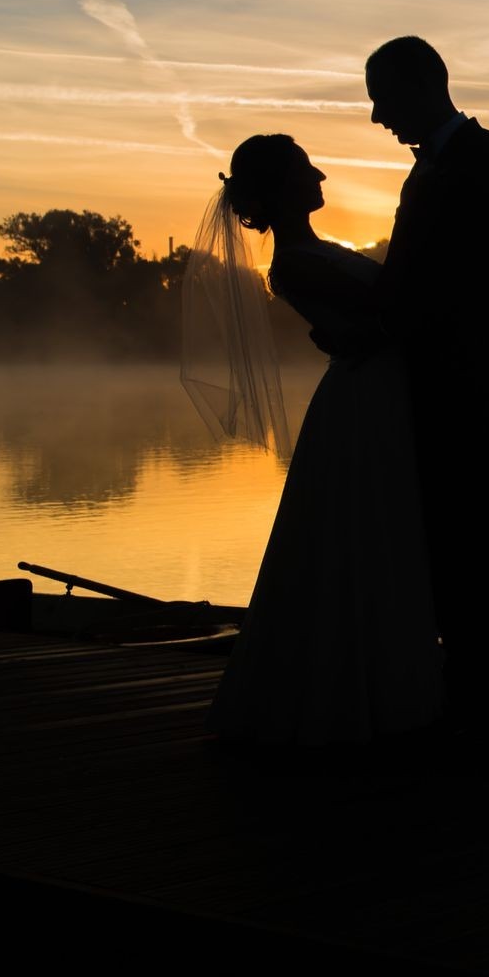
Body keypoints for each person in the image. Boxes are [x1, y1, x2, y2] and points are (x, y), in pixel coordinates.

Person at [193, 135, 444, 746]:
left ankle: (380, 686)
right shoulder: (298, 261)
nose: (322, 174)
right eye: (308, 168)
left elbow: (376, 319)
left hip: (370, 394)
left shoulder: (311, 254)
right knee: (361, 537)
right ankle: (363, 695)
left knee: (363, 535)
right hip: (365, 405)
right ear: (283, 186)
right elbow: (397, 315)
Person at [360, 36, 489, 762]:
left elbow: (458, 278)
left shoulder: (487, 158)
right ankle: (469, 698)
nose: (375, 116)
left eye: (382, 97)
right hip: (442, 379)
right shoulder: (430, 168)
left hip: (482, 379)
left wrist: (373, 325)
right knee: (451, 544)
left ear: (422, 85)